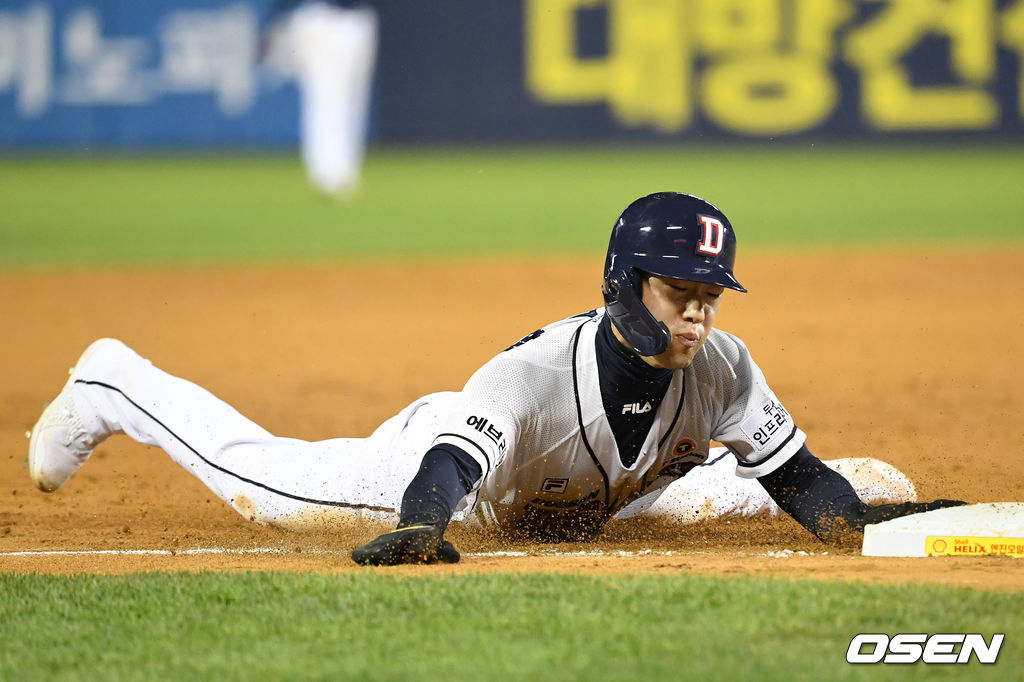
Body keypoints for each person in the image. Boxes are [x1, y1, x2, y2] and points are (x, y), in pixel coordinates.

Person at [27, 192, 963, 565]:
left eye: (711, 295)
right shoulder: (528, 378)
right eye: (681, 293)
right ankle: (119, 385)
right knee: (262, 488)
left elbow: (804, 483)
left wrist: (874, 525)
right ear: (621, 283)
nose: (700, 314)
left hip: (597, 496)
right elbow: (446, 469)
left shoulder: (719, 364)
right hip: (450, 471)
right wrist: (423, 529)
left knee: (824, 490)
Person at [261, 0, 377, 197]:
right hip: (320, 17)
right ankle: (327, 173)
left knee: (353, 103)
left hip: (359, 17)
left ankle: (345, 171)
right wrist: (271, 21)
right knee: (325, 98)